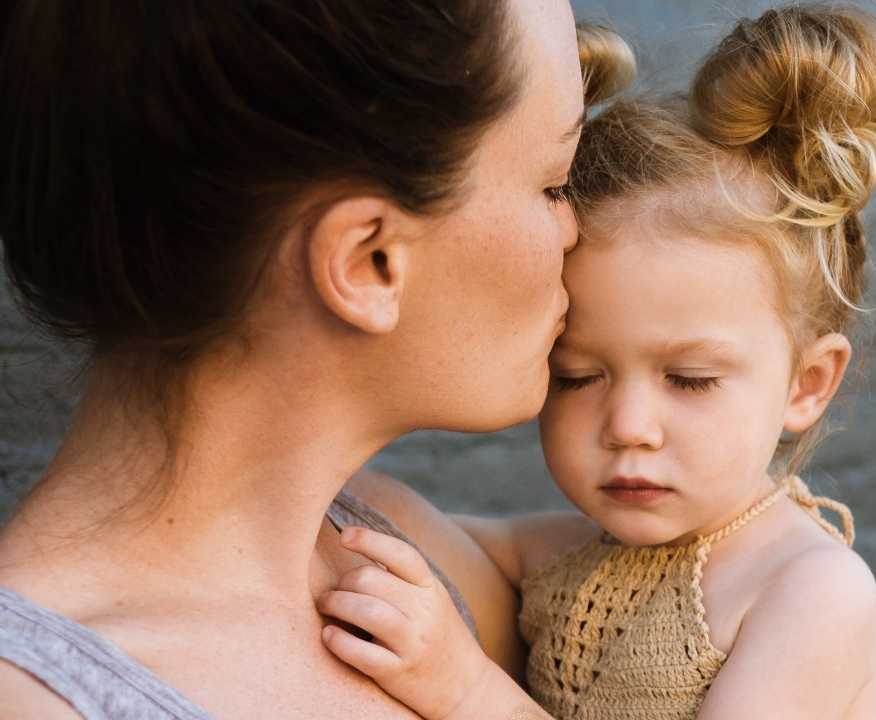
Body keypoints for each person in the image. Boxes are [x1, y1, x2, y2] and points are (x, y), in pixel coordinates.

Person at [0, 1, 630, 717]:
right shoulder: (37, 701)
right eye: (552, 184)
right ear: (369, 261)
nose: (576, 230)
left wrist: (778, 586)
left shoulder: (403, 549)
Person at [316, 6, 876, 718]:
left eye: (689, 380)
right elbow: (401, 526)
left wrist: (465, 688)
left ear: (806, 385)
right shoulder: (567, 557)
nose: (628, 426)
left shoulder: (806, 589)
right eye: (578, 376)